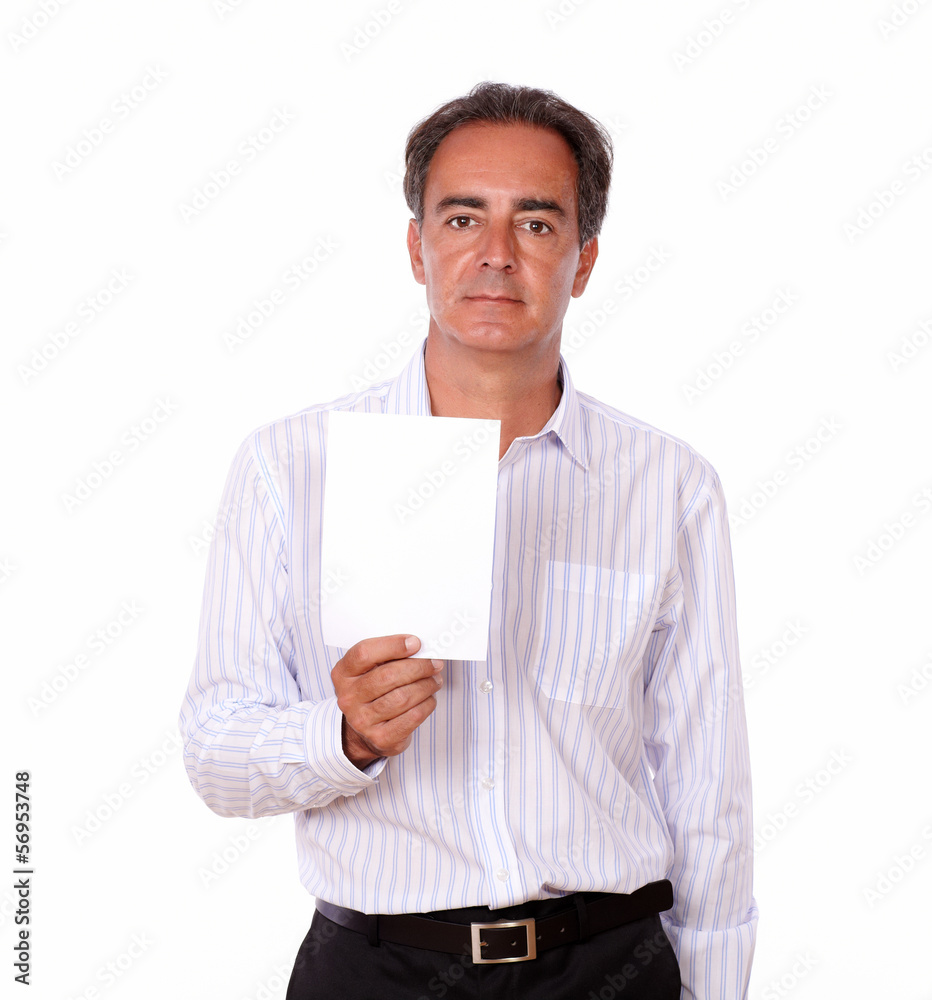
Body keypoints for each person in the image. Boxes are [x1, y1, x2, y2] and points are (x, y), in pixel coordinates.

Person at [179, 81, 758, 999]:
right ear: (416, 247)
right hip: (374, 971)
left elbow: (707, 783)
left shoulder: (667, 486)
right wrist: (343, 737)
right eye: (461, 219)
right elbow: (216, 753)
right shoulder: (288, 467)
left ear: (586, 257)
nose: (494, 255)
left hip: (607, 966)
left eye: (535, 224)